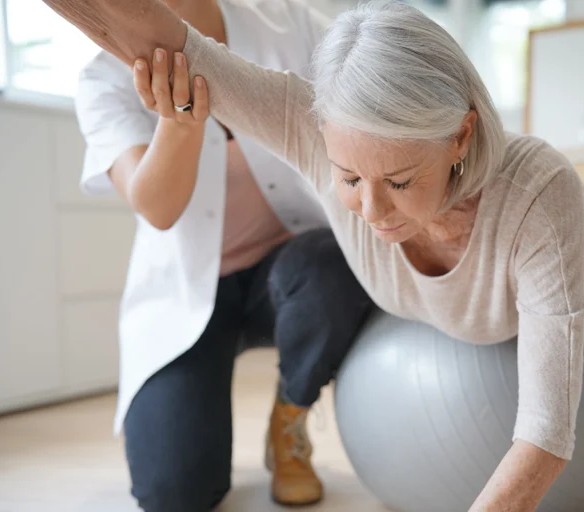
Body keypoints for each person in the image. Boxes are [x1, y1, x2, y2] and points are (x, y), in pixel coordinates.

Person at [50, 0, 584, 509]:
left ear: (459, 137)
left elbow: (545, 434)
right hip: (199, 289)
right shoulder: (310, 128)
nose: (371, 211)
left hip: (581, 228)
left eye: (400, 182)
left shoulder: (540, 196)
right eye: (349, 180)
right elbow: (170, 43)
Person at [72, 0, 373, 510]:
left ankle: (290, 420)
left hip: (293, 272)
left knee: (330, 264)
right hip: (189, 295)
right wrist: (182, 122)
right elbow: (158, 208)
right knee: (176, 494)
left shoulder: (291, 24)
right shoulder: (102, 81)